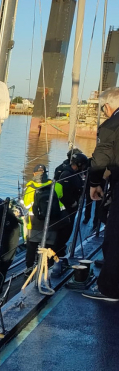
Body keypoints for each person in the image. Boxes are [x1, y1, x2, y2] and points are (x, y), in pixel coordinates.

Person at [83, 87, 119, 302]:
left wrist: (95, 183)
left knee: (114, 235)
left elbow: (101, 157)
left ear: (107, 106)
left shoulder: (112, 125)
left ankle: (109, 289)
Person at [23, 164, 64, 270]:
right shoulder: (57, 185)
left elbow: (26, 205)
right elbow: (60, 197)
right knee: (49, 248)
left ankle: (29, 268)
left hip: (35, 223)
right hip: (52, 223)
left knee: (31, 248)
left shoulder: (30, 188)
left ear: (34, 174)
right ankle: (48, 269)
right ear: (45, 173)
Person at [52, 151, 88, 261]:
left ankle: (59, 250)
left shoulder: (73, 173)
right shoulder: (67, 174)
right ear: (79, 164)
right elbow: (64, 192)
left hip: (71, 208)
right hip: (67, 208)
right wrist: (72, 202)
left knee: (67, 231)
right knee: (65, 231)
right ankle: (56, 253)